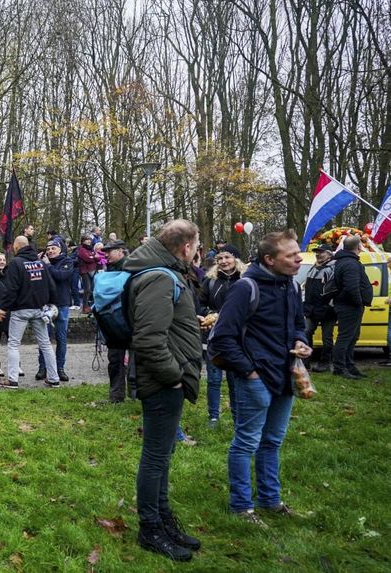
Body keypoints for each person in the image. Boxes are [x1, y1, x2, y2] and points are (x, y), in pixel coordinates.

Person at [210, 230, 310, 527]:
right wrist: (249, 371)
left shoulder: (290, 285)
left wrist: (301, 340)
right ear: (269, 259)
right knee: (246, 443)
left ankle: (271, 501)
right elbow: (223, 337)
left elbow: (297, 324)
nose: (298, 259)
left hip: (284, 375)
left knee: (273, 442)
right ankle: (242, 507)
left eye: (297, 253)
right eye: (291, 255)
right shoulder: (245, 288)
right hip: (255, 379)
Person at [122, 219, 202, 561]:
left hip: (170, 377)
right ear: (185, 247)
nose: (198, 251)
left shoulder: (165, 273)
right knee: (156, 456)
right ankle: (150, 528)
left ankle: (164, 518)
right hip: (163, 382)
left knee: (164, 453)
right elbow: (149, 339)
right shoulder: (158, 277)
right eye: (197, 245)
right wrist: (173, 376)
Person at [0, 236, 60, 389]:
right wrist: (52, 305)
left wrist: (3, 308)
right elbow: (51, 286)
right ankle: (53, 378)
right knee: (45, 344)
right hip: (40, 309)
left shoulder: (16, 264)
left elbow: (11, 289)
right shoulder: (41, 263)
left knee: (13, 344)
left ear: (17, 247)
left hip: (21, 310)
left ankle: (13, 379)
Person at [198, 244, 245, 425]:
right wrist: (210, 313)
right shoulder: (209, 281)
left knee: (235, 379)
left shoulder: (244, 280)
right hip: (213, 336)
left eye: (228, 257)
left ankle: (237, 415)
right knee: (214, 378)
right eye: (220, 258)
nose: (224, 261)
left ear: (236, 260)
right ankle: (213, 416)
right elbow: (199, 304)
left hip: (236, 337)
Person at [331, 236, 370, 379]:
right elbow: (351, 287)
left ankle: (349, 364)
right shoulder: (350, 263)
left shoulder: (345, 261)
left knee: (352, 337)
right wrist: (359, 302)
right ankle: (340, 368)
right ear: (358, 247)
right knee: (345, 337)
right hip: (349, 306)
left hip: (348, 305)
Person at [38, 240, 74, 382]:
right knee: (44, 339)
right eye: (48, 249)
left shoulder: (67, 262)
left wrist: (47, 265)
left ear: (60, 249)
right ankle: (43, 368)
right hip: (46, 305)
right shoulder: (42, 262)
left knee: (61, 338)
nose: (50, 251)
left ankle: (60, 368)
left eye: (53, 248)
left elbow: (61, 276)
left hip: (62, 304)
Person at [101, 239, 130, 402]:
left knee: (134, 359)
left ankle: (134, 393)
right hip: (114, 320)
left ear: (120, 251)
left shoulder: (131, 268)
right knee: (115, 360)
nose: (106, 254)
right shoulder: (109, 269)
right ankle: (117, 395)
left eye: (109, 251)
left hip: (129, 319)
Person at [302, 245, 336, 372]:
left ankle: (325, 363)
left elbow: (335, 290)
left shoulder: (333, 268)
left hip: (328, 309)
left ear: (329, 254)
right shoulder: (313, 268)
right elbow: (307, 288)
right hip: (312, 308)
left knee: (327, 338)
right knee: (306, 333)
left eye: (321, 252)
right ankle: (305, 362)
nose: (318, 254)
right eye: (317, 252)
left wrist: (330, 305)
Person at [76, 236, 98, 312]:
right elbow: (87, 258)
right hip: (85, 271)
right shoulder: (81, 249)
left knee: (93, 289)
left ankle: (92, 306)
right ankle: (85, 307)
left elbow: (98, 257)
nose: (89, 241)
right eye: (87, 240)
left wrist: (93, 257)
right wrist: (93, 257)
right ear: (83, 241)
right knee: (87, 289)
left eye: (89, 240)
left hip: (93, 270)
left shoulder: (91, 248)